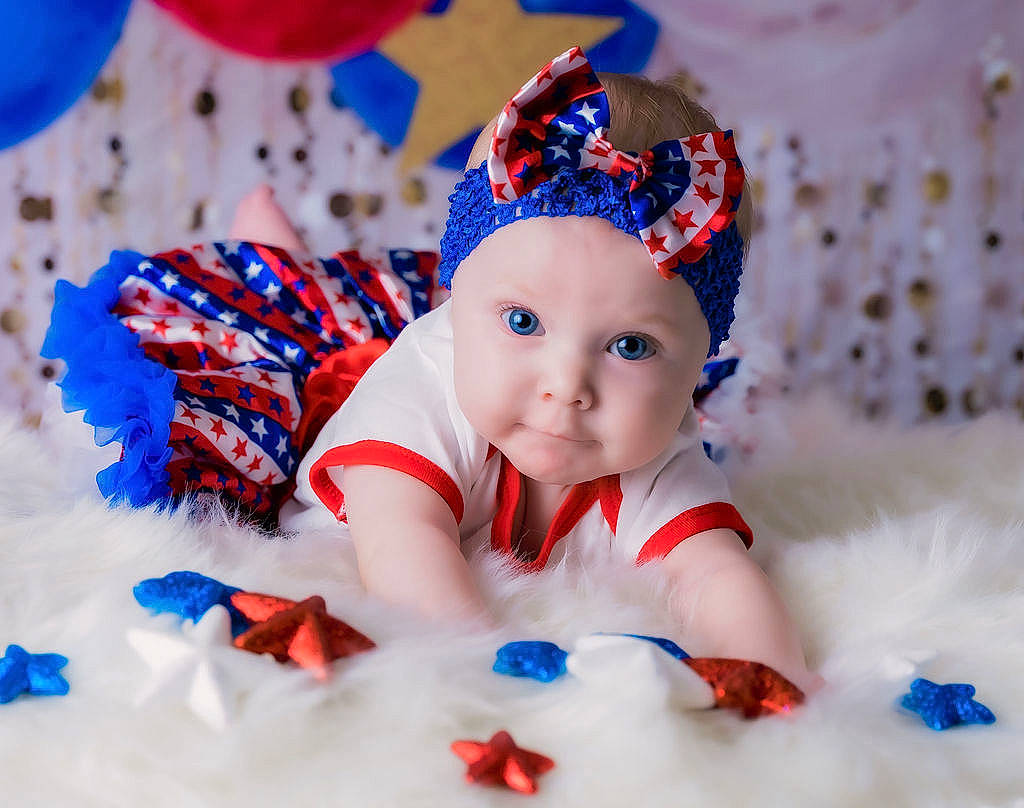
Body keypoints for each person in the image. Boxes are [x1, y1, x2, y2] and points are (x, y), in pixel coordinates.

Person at [43, 46, 819, 694]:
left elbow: (717, 576)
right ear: (458, 296)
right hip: (328, 401)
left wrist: (771, 686)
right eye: (524, 322)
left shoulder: (660, 444)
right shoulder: (427, 386)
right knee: (306, 331)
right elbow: (404, 539)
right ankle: (275, 254)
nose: (567, 385)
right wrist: (490, 678)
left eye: (632, 347)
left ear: (697, 357)